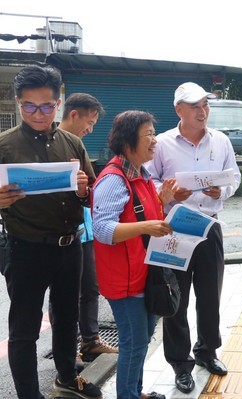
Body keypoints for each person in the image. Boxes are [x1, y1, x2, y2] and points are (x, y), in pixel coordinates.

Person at [0, 65, 101, 399]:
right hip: (26, 248)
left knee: (67, 316)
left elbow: (93, 192)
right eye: (29, 106)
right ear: (18, 102)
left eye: (46, 106)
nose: (38, 114)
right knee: (25, 329)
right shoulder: (5, 147)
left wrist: (85, 189)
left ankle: (67, 377)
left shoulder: (72, 143)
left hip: (70, 245)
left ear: (58, 104)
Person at [145, 82, 241, 394]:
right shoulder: (160, 144)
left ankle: (207, 351)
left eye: (205, 105)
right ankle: (179, 363)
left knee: (211, 294)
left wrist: (221, 190)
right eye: (194, 106)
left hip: (209, 225)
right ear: (179, 110)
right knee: (176, 299)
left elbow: (234, 176)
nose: (202, 111)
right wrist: (168, 193)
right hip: (174, 228)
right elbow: (150, 180)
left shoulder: (221, 141)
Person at [93, 110, 175, 399]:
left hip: (144, 276)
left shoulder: (142, 174)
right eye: (148, 135)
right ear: (128, 141)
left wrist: (162, 202)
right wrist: (147, 226)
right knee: (133, 342)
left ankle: (134, 391)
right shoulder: (113, 179)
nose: (155, 140)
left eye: (154, 133)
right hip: (124, 281)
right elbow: (102, 229)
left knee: (141, 340)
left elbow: (146, 219)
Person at [57, 93, 119, 364]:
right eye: (89, 122)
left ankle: (91, 341)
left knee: (90, 288)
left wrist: (86, 188)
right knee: (63, 296)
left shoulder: (78, 146)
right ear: (73, 114)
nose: (91, 129)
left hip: (85, 230)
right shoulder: (52, 146)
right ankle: (66, 349)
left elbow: (92, 189)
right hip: (56, 233)